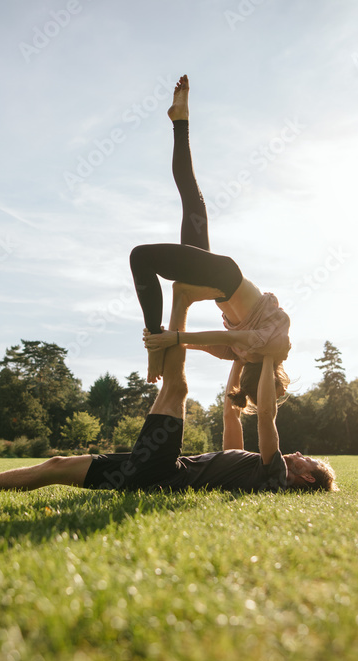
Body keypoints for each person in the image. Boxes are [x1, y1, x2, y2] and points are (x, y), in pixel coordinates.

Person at [0, 287, 336, 494]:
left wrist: (266, 356)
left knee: (177, 387)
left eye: (307, 459)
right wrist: (241, 356)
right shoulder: (248, 462)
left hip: (162, 472)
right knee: (57, 465)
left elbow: (266, 415)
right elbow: (233, 413)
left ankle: (181, 303)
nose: (298, 453)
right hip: (151, 472)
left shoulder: (273, 474)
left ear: (305, 478)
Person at [130, 75, 291, 416]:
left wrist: (181, 340)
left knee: (193, 200)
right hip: (223, 277)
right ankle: (152, 338)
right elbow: (231, 338)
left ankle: (180, 119)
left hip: (215, 283)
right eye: (270, 388)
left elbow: (216, 345)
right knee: (141, 257)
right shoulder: (276, 346)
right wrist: (167, 340)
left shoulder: (245, 356)